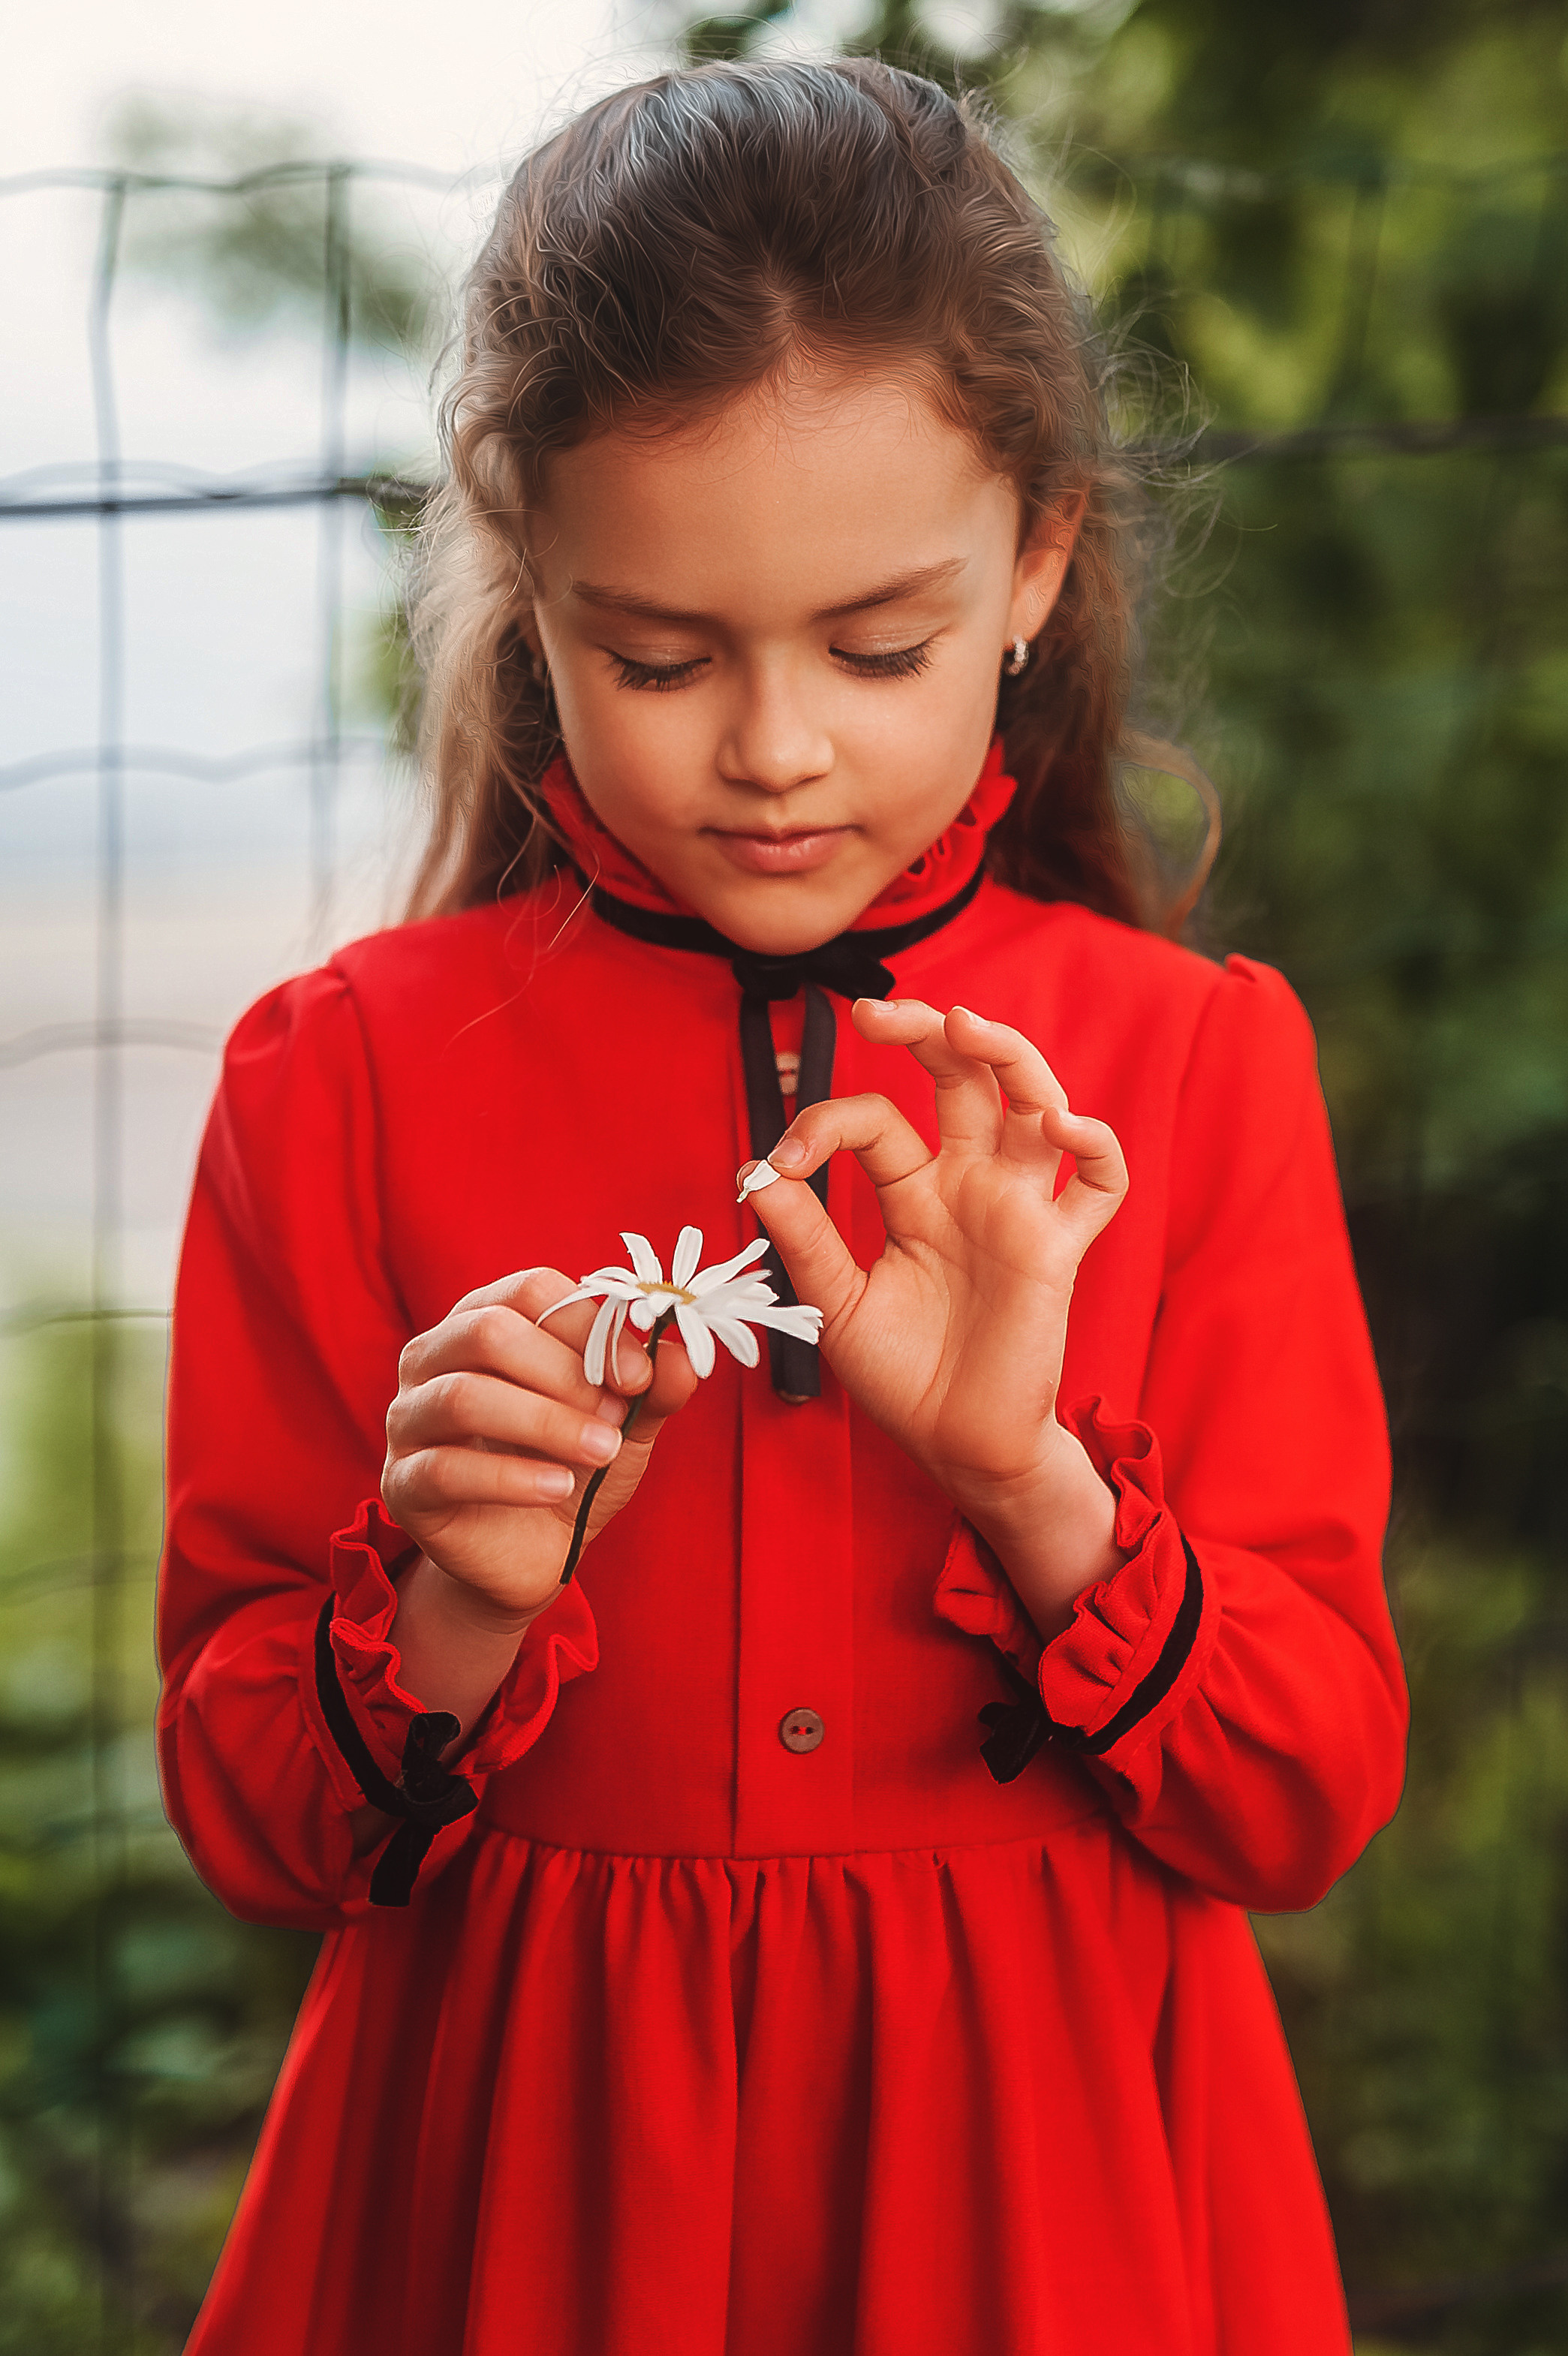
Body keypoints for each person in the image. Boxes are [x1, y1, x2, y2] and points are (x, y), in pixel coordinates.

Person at [157, 56, 1407, 2356]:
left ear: (1033, 559)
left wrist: (1030, 1486)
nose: (771, 748)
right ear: (525, 589)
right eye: (654, 655)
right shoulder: (333, 1076)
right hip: (522, 2188)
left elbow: (1305, 1786)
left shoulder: (1195, 1066)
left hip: (1048, 2194)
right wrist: (451, 1601)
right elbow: (251, 1819)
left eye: (874, 644)